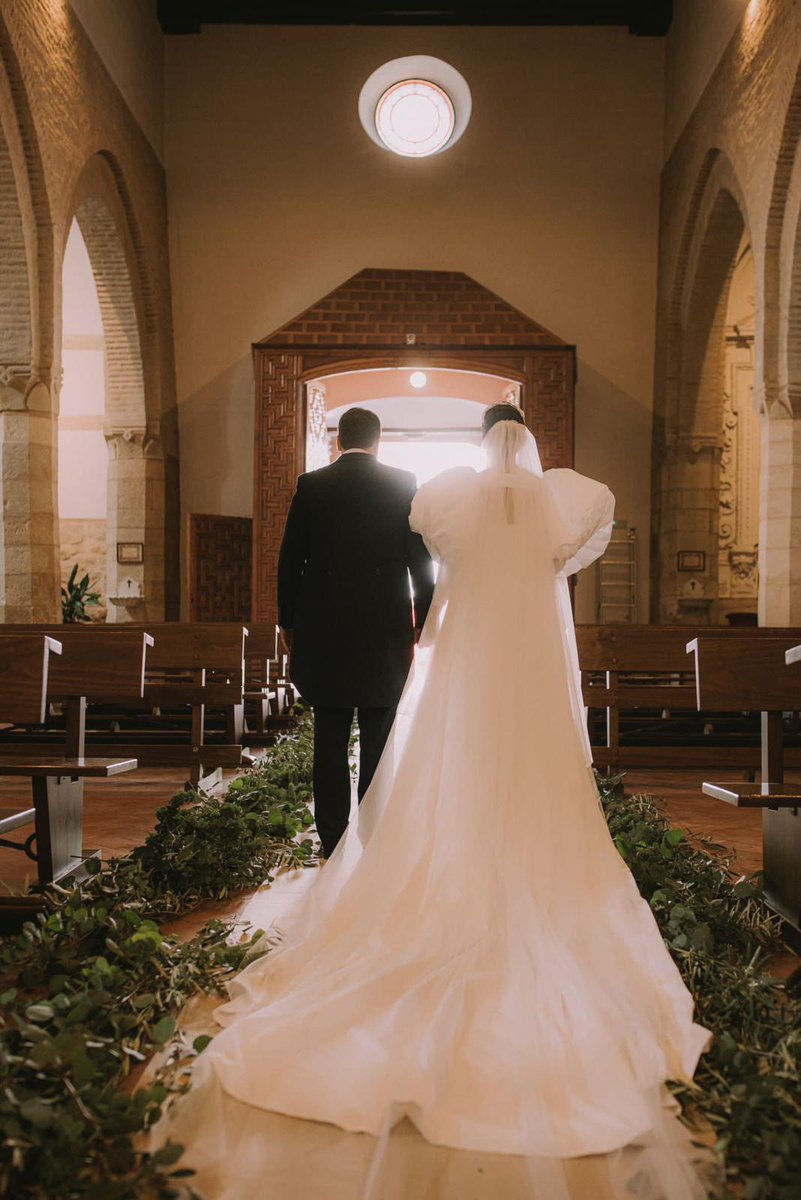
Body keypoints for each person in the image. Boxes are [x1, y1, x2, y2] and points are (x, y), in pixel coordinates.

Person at [158, 405, 711, 1200]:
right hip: (497, 662)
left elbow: (337, 561)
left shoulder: (432, 494)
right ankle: (403, 835)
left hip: (422, 652)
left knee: (386, 749)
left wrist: (319, 624)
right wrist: (412, 615)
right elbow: (441, 561)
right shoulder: (539, 500)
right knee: (489, 755)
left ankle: (348, 843)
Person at [277, 406, 435, 858]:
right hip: (384, 633)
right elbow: (420, 562)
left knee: (329, 737)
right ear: (378, 441)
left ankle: (332, 838)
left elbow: (290, 561)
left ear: (339, 441)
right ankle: (374, 837)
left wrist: (289, 623)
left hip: (324, 633)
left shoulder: (312, 486)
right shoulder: (403, 484)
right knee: (378, 736)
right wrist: (423, 621)